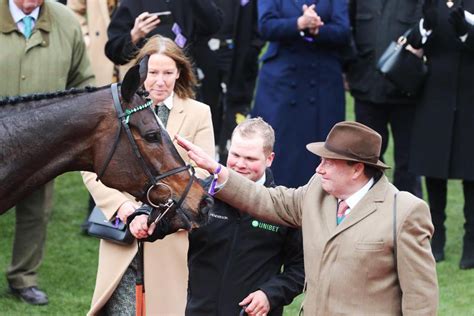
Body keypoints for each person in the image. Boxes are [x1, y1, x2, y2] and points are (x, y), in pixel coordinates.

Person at [176, 121, 439, 315]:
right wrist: (219, 171)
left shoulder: (404, 211)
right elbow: (266, 200)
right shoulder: (316, 191)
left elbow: (421, 299)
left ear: (356, 169)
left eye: (328, 162)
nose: (318, 168)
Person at [82, 35, 215, 315]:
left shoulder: (199, 113)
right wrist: (126, 209)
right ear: (141, 72)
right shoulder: (117, 111)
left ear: (179, 72)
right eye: (153, 72)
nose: (159, 81)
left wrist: (156, 217)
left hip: (169, 239)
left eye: (168, 73)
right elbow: (92, 170)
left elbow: (201, 173)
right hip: (123, 235)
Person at [130, 118, 305, 316]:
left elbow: (301, 269)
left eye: (250, 159)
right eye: (235, 155)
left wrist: (270, 295)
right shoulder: (201, 195)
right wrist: (143, 217)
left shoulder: (283, 207)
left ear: (270, 159)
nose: (240, 164)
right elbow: (162, 217)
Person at [0, 0, 94, 305]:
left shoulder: (66, 22)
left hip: (41, 145)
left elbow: (83, 83)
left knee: (36, 212)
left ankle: (23, 278)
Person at [251, 1, 350, 188]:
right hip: (282, 85)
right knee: (278, 148)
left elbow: (343, 30)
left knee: (321, 150)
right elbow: (265, 26)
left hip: (322, 84)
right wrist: (299, 23)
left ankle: (320, 205)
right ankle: (271, 207)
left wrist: (317, 29)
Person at [408, 0, 474, 268]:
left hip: (470, 100)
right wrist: (426, 25)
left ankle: (471, 243)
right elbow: (412, 39)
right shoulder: (430, 3)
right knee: (434, 173)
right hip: (434, 98)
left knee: (471, 175)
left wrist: (464, 32)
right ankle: (436, 239)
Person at [346, 0, 423, 198]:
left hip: (406, 92)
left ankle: (407, 220)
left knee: (408, 165)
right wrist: (349, 70)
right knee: (366, 162)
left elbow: (430, 28)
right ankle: (366, 218)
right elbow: (348, 28)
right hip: (367, 88)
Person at [67, 0, 119, 233]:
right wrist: (86, 38)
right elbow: (74, 10)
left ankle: (118, 211)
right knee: (98, 140)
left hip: (130, 64)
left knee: (126, 142)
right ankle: (95, 212)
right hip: (100, 63)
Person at [193, 0, 264, 162]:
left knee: (237, 106)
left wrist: (253, 48)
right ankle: (208, 157)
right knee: (207, 105)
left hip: (239, 54)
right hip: (205, 52)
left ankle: (232, 159)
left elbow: (260, 21)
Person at [104, 0, 222, 67]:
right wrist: (135, 35)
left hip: (187, 78)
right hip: (151, 85)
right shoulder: (134, 2)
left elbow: (214, 24)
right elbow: (113, 52)